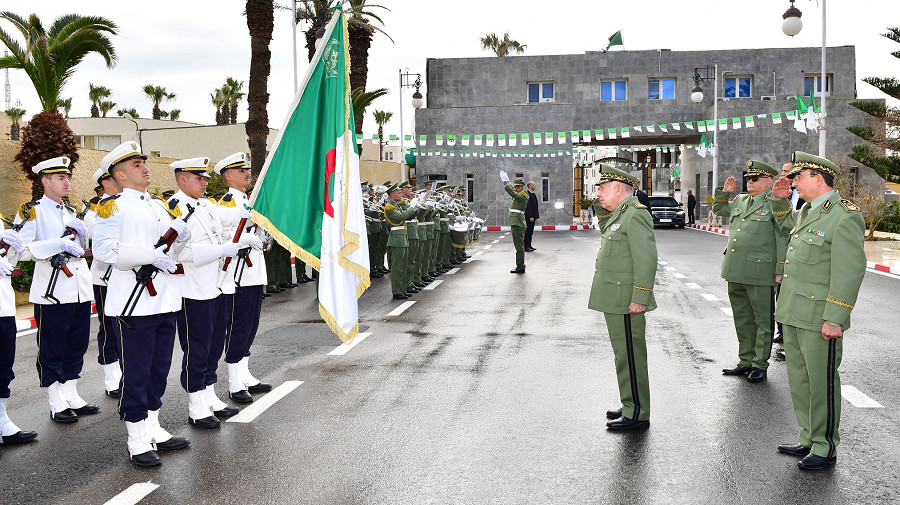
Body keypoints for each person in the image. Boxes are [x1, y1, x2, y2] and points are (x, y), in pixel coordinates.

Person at [93, 141, 191, 467]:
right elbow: (105, 251)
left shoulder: (159, 206)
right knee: (136, 372)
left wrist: (181, 234)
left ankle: (153, 427)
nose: (145, 167)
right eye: (136, 165)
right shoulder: (112, 207)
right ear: (120, 175)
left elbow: (173, 251)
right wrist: (152, 256)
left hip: (164, 299)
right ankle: (136, 437)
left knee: (159, 370)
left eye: (144, 162)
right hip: (134, 304)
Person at [770, 151, 866, 471]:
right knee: (799, 379)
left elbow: (848, 272)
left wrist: (835, 318)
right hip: (794, 312)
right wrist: (782, 200)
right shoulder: (807, 211)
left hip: (819, 316)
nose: (794, 182)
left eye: (798, 177)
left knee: (821, 381)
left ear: (817, 178)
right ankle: (809, 436)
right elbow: (786, 229)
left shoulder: (844, 215)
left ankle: (825, 445)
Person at [15, 156, 98, 424]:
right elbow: (22, 249)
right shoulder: (32, 211)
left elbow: (83, 246)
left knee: (77, 343)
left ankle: (71, 394)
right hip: (52, 289)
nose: (67, 182)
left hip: (78, 287)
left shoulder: (72, 212)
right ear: (45, 181)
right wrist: (57, 245)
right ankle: (54, 400)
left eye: (68, 177)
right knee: (53, 346)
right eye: (61, 178)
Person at [168, 157, 242, 429]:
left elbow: (229, 224)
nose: (205, 182)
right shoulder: (175, 209)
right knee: (197, 348)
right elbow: (181, 252)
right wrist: (221, 251)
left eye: (205, 178)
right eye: (198, 178)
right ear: (182, 179)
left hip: (217, 285)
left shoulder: (207, 205)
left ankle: (209, 394)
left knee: (213, 346)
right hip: (193, 289)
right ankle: (196, 403)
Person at [589, 165, 657, 431]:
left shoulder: (635, 215)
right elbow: (607, 230)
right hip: (615, 297)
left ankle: (638, 412)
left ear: (619, 188)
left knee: (631, 354)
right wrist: (601, 206)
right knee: (623, 354)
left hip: (627, 298)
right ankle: (630, 402)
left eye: (602, 189)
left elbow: (647, 258)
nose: (598, 193)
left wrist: (640, 296)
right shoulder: (620, 214)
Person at [713, 161, 788, 383]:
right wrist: (724, 193)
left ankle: (759, 364)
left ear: (768, 181)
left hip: (760, 271)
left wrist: (780, 268)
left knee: (762, 321)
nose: (749, 182)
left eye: (754, 179)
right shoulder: (741, 200)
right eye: (747, 178)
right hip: (736, 269)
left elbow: (782, 236)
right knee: (742, 318)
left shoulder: (775, 203)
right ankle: (745, 360)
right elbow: (719, 209)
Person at [214, 152, 272, 403]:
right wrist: (245, 237)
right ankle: (234, 381)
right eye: (241, 171)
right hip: (239, 273)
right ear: (228, 176)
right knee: (238, 326)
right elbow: (224, 234)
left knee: (250, 325)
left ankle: (245, 373)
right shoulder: (227, 203)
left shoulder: (248, 200)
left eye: (247, 170)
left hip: (253, 271)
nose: (248, 174)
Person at [85, 165, 123, 398]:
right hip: (106, 278)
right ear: (105, 183)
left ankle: (126, 373)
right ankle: (112, 377)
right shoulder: (97, 210)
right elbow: (94, 236)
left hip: (128, 278)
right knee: (109, 328)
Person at [0, 219, 39, 448]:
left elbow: (9, 262)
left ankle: (2, 422)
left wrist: (14, 248)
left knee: (4, 367)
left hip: (3, 307)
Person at [383, 183, 418, 299]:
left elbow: (408, 216)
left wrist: (414, 208)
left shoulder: (396, 205)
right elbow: (400, 217)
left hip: (402, 237)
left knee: (403, 266)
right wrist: (411, 208)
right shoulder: (389, 207)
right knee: (397, 267)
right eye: (398, 193)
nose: (400, 194)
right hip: (396, 238)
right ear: (392, 195)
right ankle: (397, 291)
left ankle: (402, 289)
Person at [503, 178, 529, 273]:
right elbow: (514, 194)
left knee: (519, 246)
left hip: (518, 222)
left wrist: (507, 184)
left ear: (522, 188)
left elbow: (513, 193)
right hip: (516, 222)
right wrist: (509, 183)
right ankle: (520, 265)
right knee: (519, 246)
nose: (515, 189)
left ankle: (520, 266)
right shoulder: (518, 196)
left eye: (518, 187)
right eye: (515, 187)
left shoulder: (523, 196)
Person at [524, 181, 539, 252]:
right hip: (529, 217)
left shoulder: (533, 194)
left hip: (533, 216)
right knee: (528, 231)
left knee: (531, 232)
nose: (535, 186)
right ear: (530, 186)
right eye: (534, 185)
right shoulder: (527, 194)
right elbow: (528, 206)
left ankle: (529, 245)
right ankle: (526, 246)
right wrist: (530, 216)